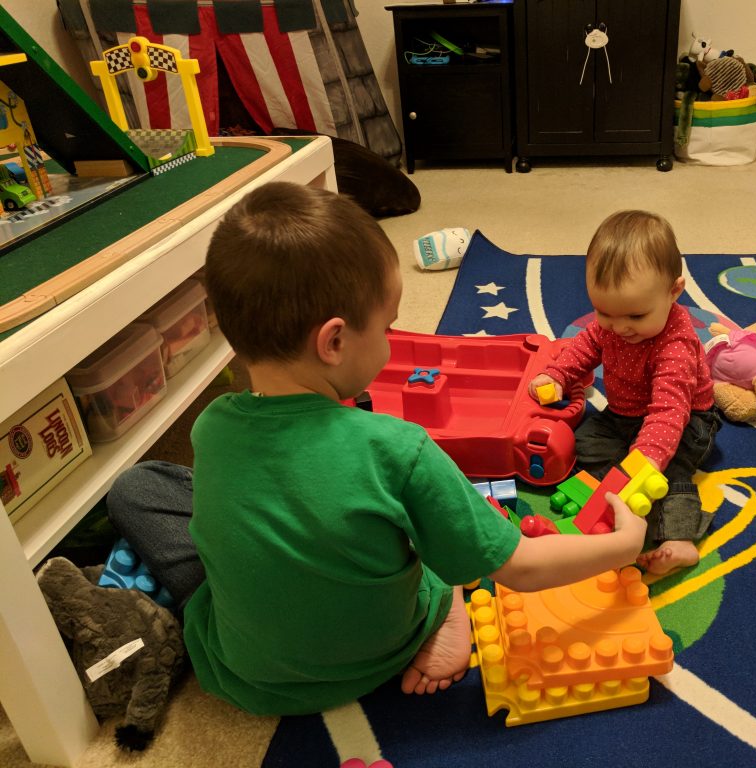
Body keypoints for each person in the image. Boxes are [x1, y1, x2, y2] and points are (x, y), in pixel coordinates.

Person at [105, 182, 646, 717]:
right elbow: (521, 567)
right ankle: (446, 605)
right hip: (383, 653)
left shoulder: (211, 427)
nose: (391, 341)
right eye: (388, 328)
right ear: (334, 342)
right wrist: (624, 545)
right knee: (427, 530)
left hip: (246, 674)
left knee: (137, 486)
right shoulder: (398, 449)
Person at [529, 210, 720, 575]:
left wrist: (648, 458)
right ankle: (617, 481)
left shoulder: (675, 346)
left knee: (670, 475)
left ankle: (679, 539)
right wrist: (557, 376)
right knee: (580, 442)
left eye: (635, 316)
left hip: (684, 421)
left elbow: (669, 411)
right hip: (624, 414)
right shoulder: (613, 323)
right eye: (604, 312)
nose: (618, 328)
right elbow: (585, 347)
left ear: (674, 291)